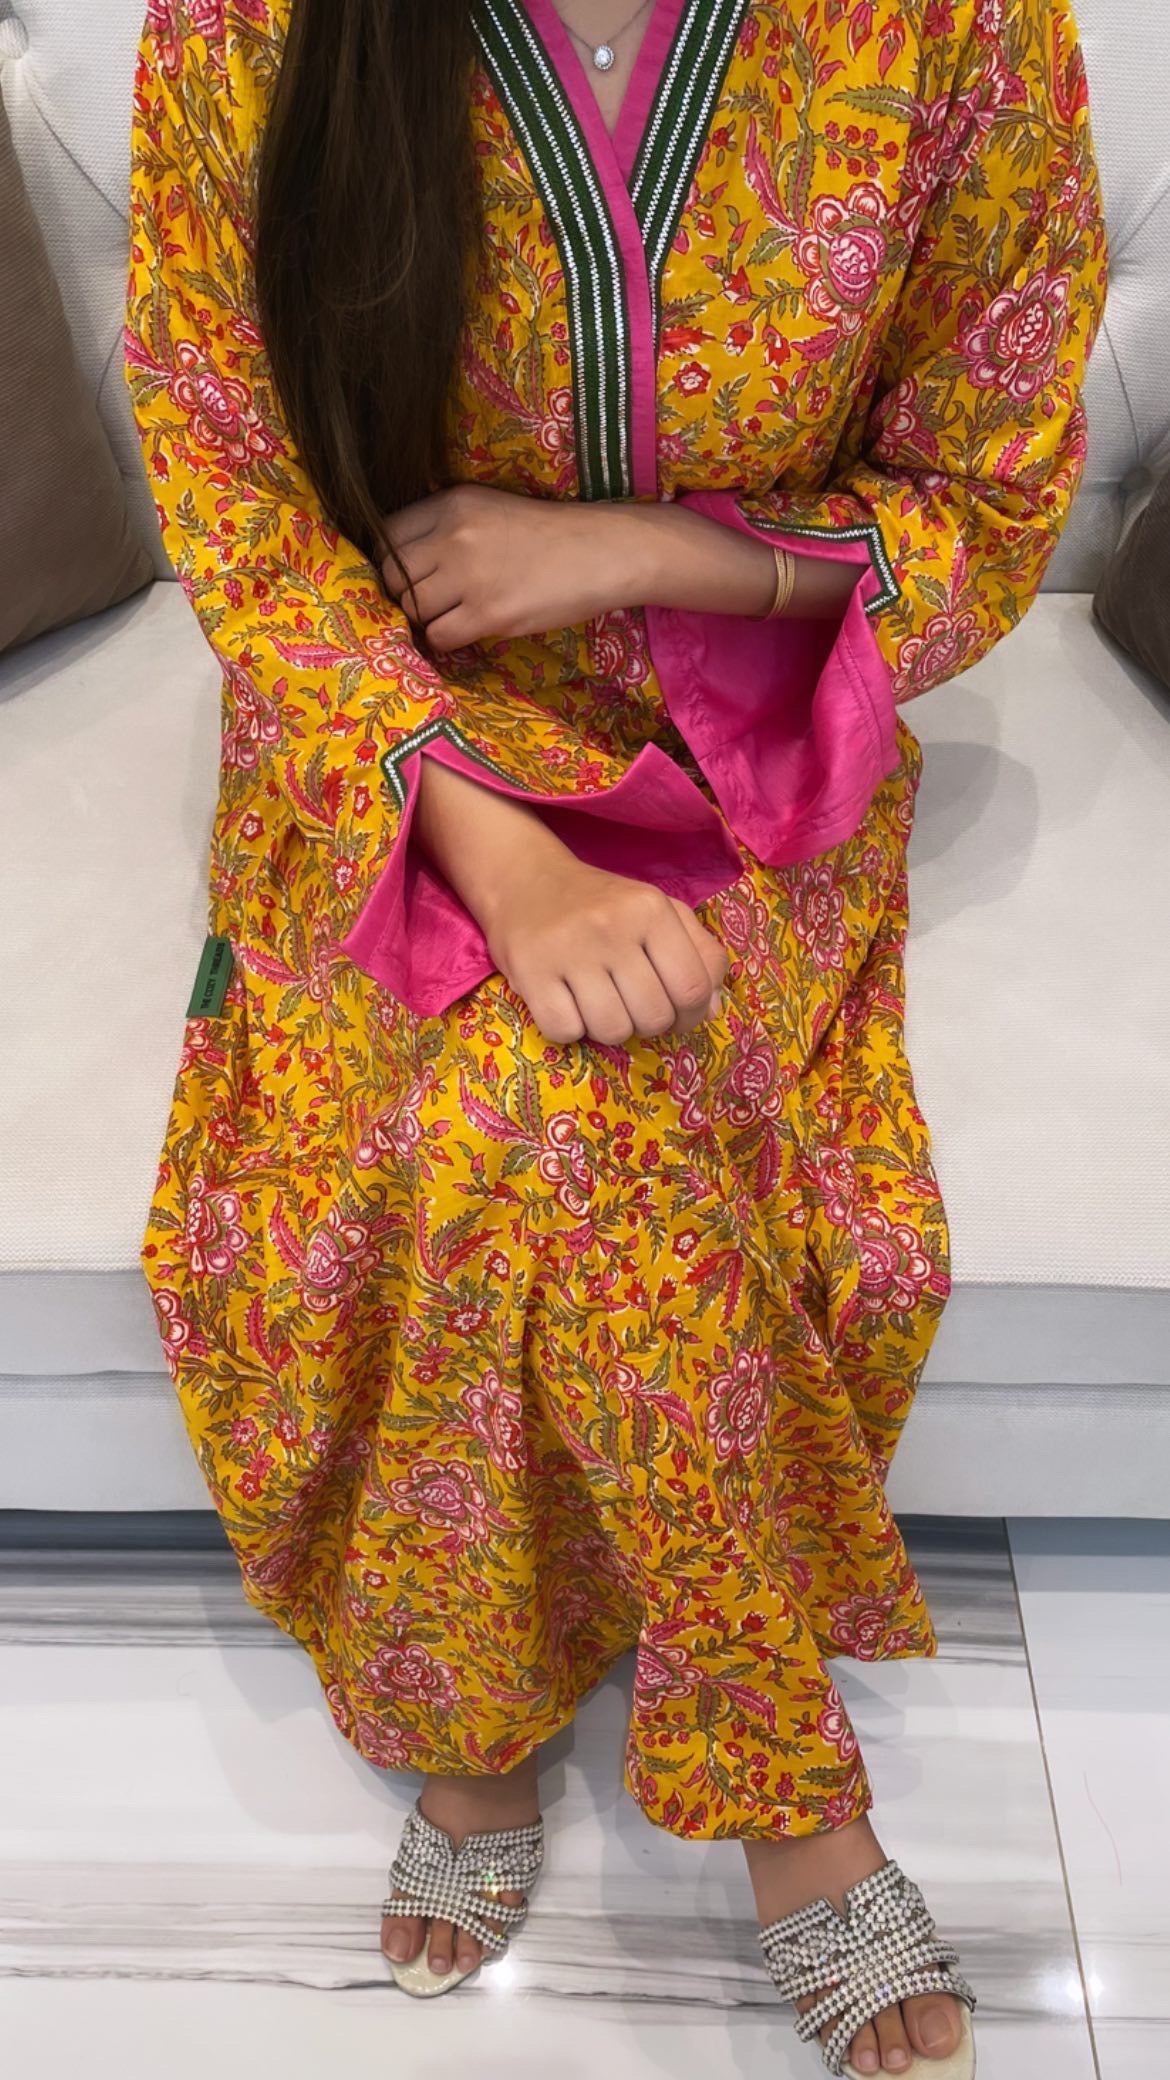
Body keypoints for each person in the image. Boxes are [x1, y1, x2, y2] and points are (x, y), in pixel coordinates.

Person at [126, 2, 1105, 2072]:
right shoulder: (243, 23)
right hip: (384, 734)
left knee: (562, 1135)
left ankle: (488, 1736)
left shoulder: (956, 24)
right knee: (491, 1133)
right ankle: (784, 1808)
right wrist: (503, 857)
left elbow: (992, 492)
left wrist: (644, 552)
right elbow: (236, 500)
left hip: (751, 718)